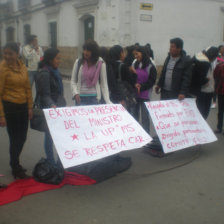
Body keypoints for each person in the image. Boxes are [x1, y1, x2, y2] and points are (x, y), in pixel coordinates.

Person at [0, 42, 33, 179]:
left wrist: (30, 106)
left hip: (23, 107)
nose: (7, 56)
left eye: (10, 53)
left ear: (17, 54)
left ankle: (15, 163)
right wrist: (1, 115)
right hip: (10, 107)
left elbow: (27, 88)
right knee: (15, 139)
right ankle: (15, 167)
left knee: (22, 137)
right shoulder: (2, 69)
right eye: (5, 53)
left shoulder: (22, 66)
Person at [35, 48, 66, 164]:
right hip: (51, 110)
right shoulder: (44, 73)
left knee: (58, 136)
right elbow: (44, 95)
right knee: (49, 136)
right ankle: (51, 161)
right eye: (57, 58)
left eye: (60, 58)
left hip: (58, 108)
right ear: (50, 59)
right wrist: (52, 105)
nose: (59, 61)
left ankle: (59, 161)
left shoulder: (55, 71)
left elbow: (59, 92)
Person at [71, 40, 111, 105]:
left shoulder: (100, 63)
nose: (85, 52)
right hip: (80, 98)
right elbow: (73, 81)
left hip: (94, 99)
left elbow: (104, 84)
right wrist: (75, 93)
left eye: (88, 51)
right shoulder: (78, 62)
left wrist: (108, 101)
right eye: (84, 50)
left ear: (94, 52)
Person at [132, 46, 157, 133]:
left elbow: (152, 81)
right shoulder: (135, 64)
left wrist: (141, 87)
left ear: (142, 53)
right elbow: (132, 77)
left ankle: (146, 135)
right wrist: (135, 84)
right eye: (135, 54)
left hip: (145, 95)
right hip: (135, 94)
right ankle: (135, 134)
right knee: (134, 115)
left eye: (137, 54)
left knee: (145, 117)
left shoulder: (151, 66)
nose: (136, 56)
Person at [191, 46, 218, 119]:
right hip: (204, 91)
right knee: (202, 113)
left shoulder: (199, 57)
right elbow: (199, 78)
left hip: (206, 91)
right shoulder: (204, 62)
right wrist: (206, 80)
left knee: (202, 112)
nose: (214, 59)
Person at [107, 45, 137, 109]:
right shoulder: (123, 66)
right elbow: (131, 82)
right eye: (123, 52)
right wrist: (134, 73)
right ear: (120, 54)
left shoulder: (108, 65)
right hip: (122, 97)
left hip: (110, 96)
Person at [213, 59, 224, 133]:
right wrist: (218, 66)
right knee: (220, 111)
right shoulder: (220, 66)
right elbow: (215, 75)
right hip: (221, 91)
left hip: (221, 90)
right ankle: (219, 127)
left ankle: (219, 128)